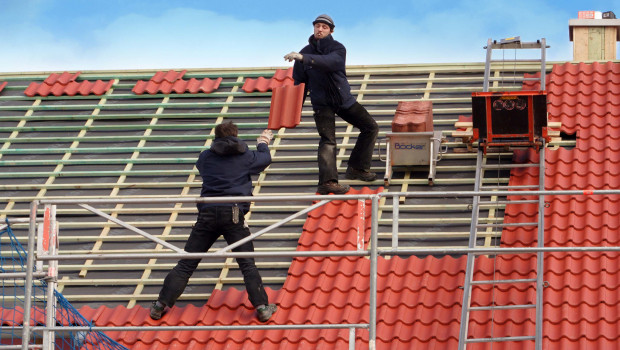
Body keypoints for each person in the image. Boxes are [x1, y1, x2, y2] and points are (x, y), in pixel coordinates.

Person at [150, 121, 277, 322]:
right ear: (236, 135)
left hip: (207, 214)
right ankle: (262, 308)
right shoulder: (245, 156)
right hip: (233, 213)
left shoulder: (205, 157)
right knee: (247, 265)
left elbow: (204, 166)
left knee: (186, 264)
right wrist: (263, 142)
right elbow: (265, 158)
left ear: (216, 138)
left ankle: (159, 306)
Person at [284, 14, 379, 195]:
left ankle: (357, 168)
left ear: (331, 30)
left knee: (370, 127)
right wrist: (294, 111)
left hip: (343, 100)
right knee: (328, 141)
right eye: (317, 26)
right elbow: (300, 84)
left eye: (324, 27)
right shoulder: (303, 53)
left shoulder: (337, 49)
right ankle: (327, 182)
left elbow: (331, 63)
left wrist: (304, 58)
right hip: (322, 104)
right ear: (313, 28)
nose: (320, 29)